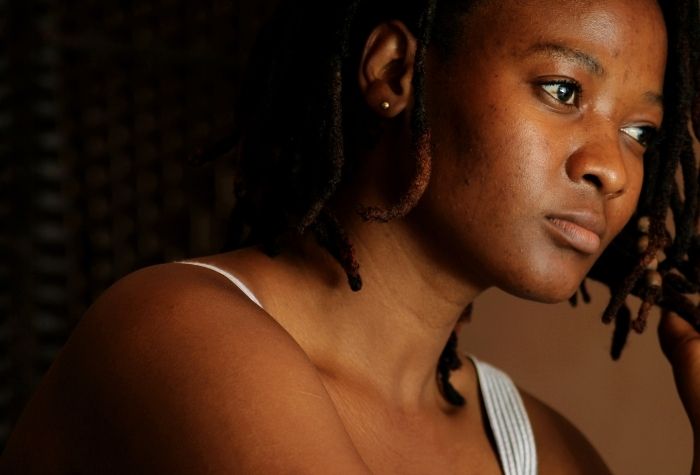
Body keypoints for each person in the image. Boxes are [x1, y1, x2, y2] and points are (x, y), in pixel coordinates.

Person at [2, 0, 699, 473]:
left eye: (641, 133)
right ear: (395, 70)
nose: (610, 166)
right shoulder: (183, 334)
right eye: (562, 91)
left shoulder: (540, 451)